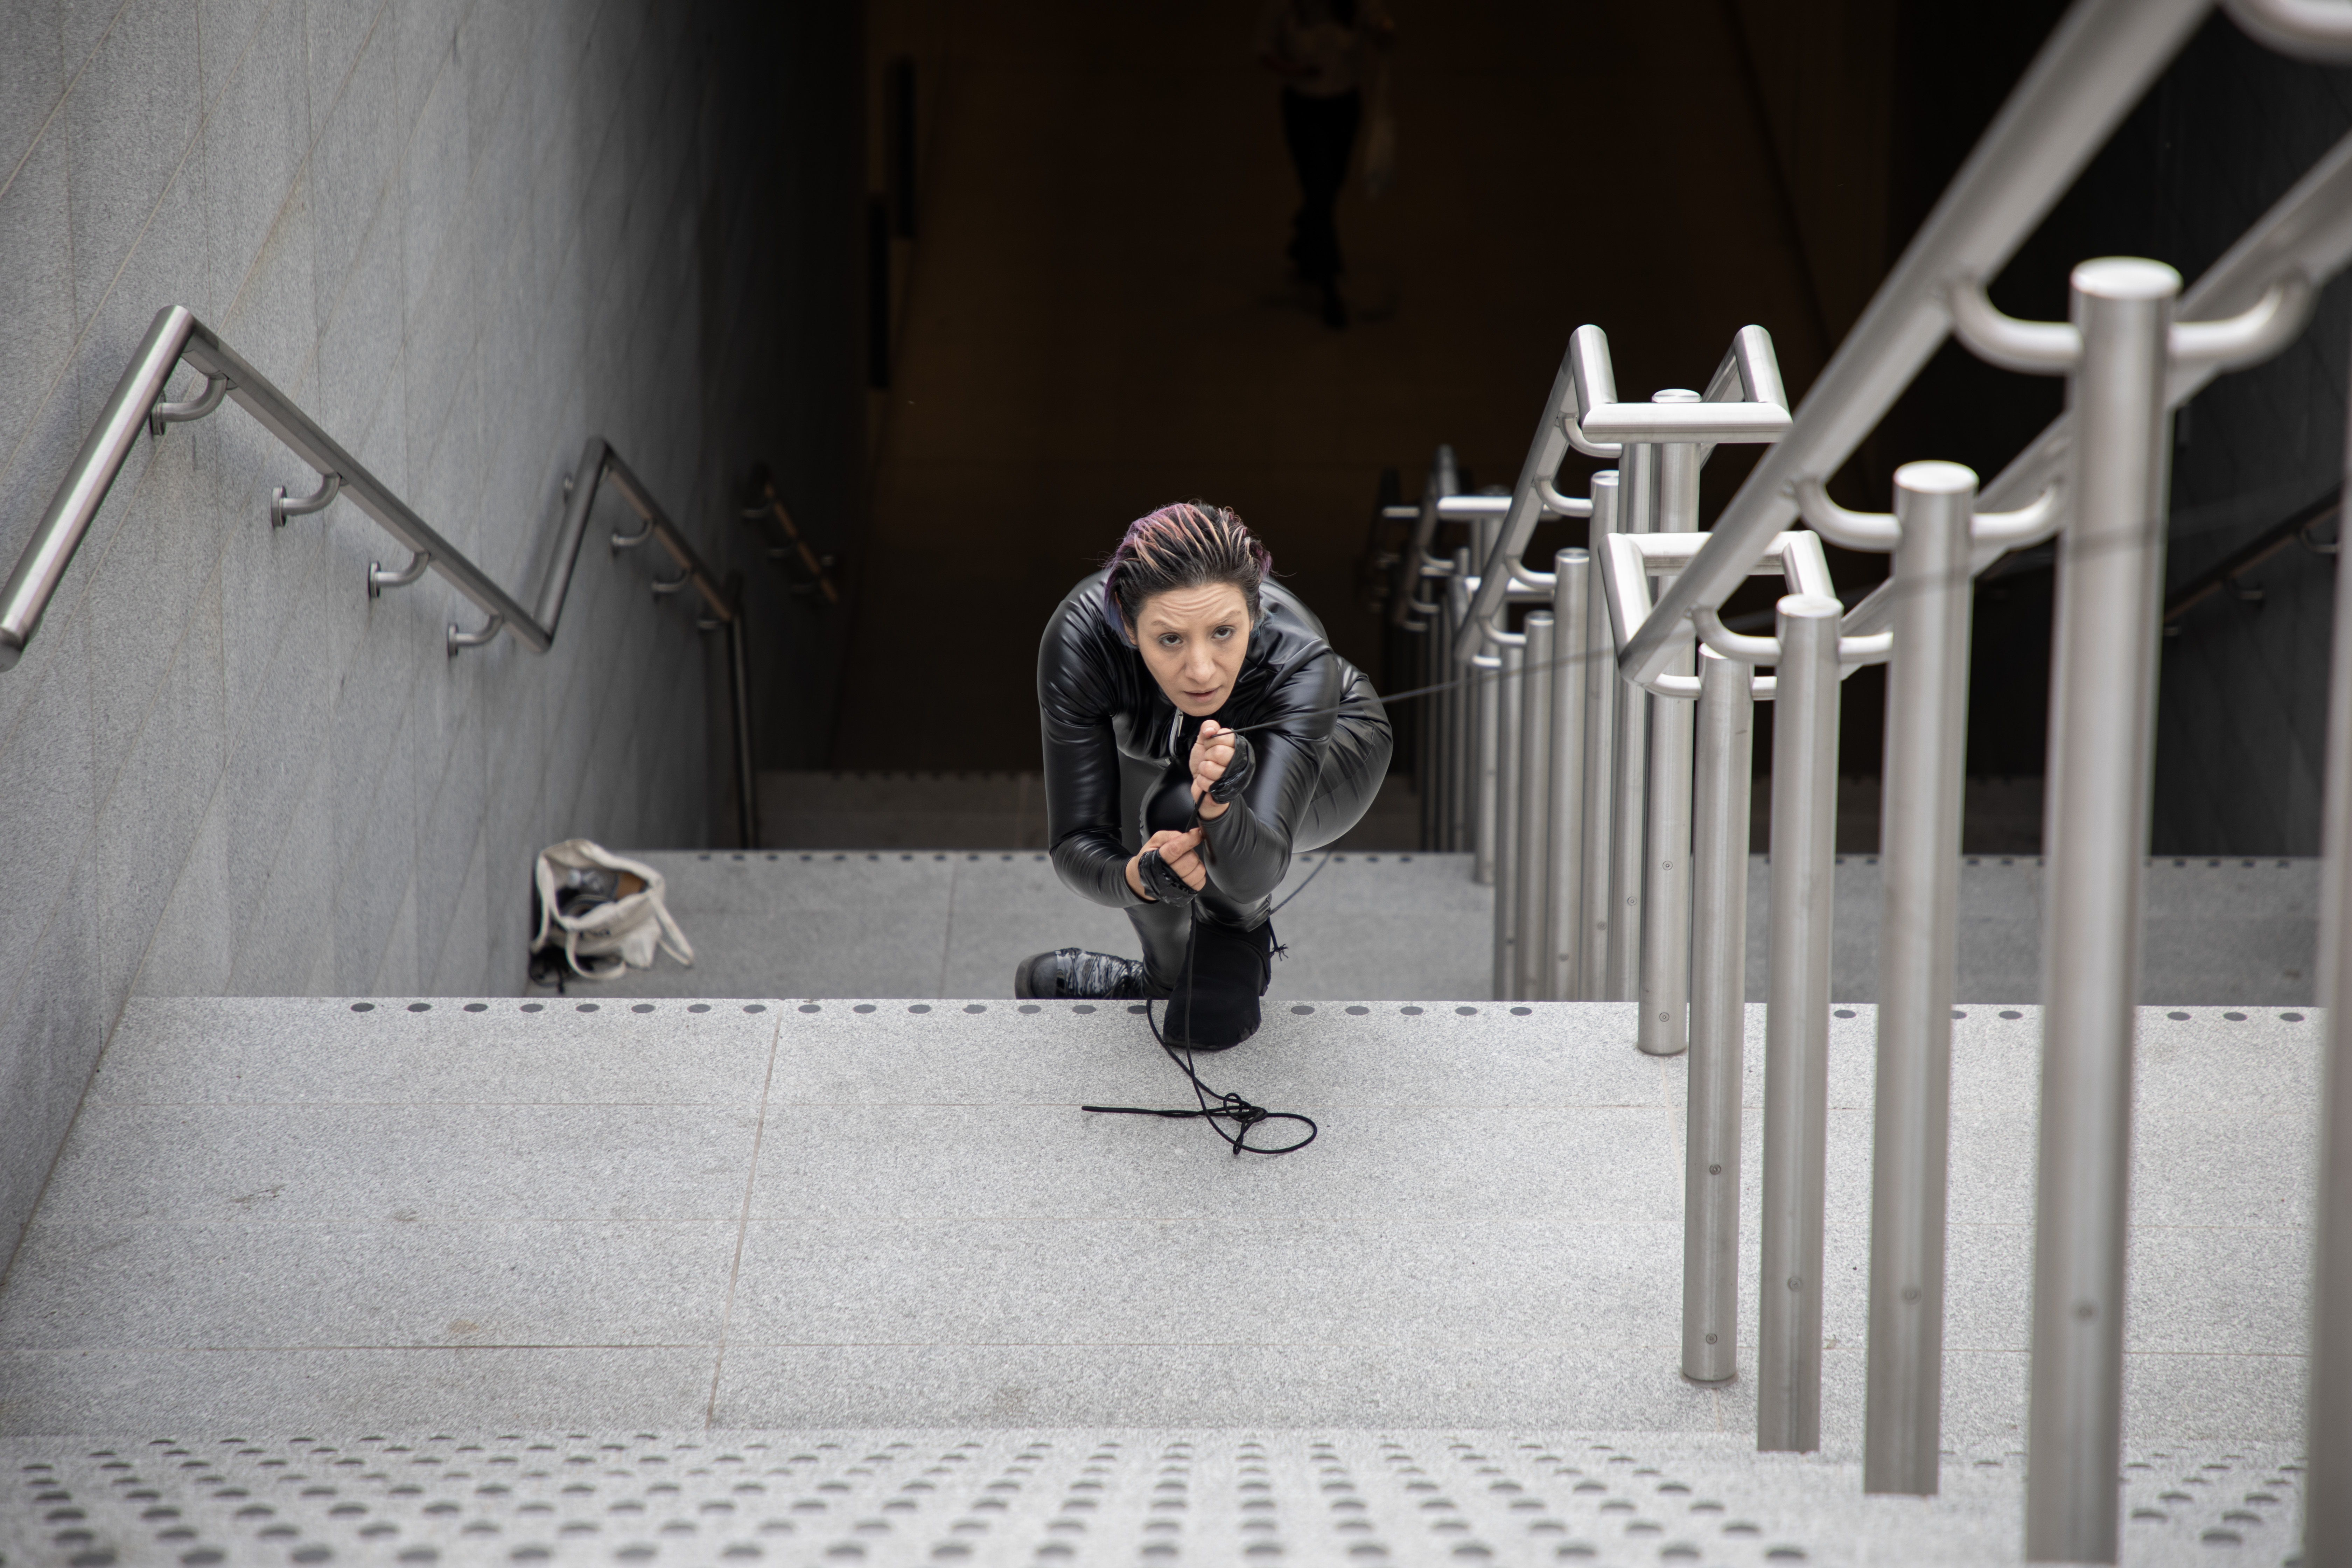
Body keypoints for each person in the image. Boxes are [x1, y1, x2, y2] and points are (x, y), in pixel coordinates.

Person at [1018, 501, 1393, 1050]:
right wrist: (1140, 877)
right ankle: (1162, 978)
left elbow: (1259, 868)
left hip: (1341, 744)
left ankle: (1240, 936)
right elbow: (1077, 842)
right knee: (1156, 835)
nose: (1200, 671)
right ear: (1127, 624)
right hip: (1160, 749)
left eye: (1223, 632)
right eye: (1170, 639)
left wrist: (1221, 801)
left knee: (1178, 806)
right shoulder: (1080, 638)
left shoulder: (1298, 656)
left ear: (1255, 612)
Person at [1256, 0, 1395, 329]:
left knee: (1331, 185)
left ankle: (1305, 235)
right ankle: (1328, 284)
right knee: (1319, 190)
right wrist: (1297, 71)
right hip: (1303, 109)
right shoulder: (1284, 7)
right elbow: (1263, 50)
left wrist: (1383, 30)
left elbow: (1382, 31)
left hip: (1344, 107)